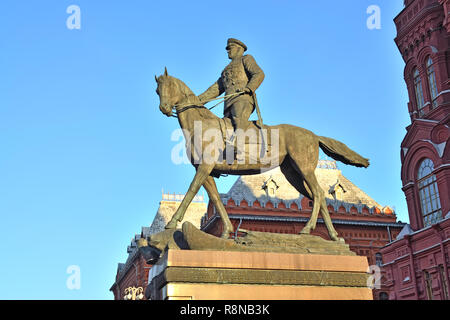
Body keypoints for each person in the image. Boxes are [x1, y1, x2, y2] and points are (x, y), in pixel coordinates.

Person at [198, 38, 265, 151]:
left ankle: (239, 146)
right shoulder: (225, 70)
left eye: (230, 48)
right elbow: (214, 90)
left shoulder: (246, 59)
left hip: (242, 98)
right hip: (228, 103)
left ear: (239, 49)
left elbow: (259, 74)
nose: (228, 51)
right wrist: (196, 101)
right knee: (225, 127)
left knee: (238, 119)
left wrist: (249, 88)